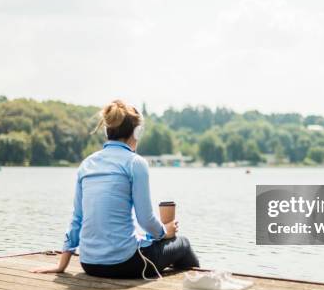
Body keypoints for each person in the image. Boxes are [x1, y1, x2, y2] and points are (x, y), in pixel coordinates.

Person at [32, 100, 199, 278]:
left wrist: (61, 265)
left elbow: (77, 219)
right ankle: (201, 284)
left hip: (89, 264)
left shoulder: (87, 164)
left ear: (107, 131)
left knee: (151, 242)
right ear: (137, 132)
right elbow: (145, 219)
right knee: (183, 244)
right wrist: (166, 232)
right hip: (126, 264)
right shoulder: (135, 163)